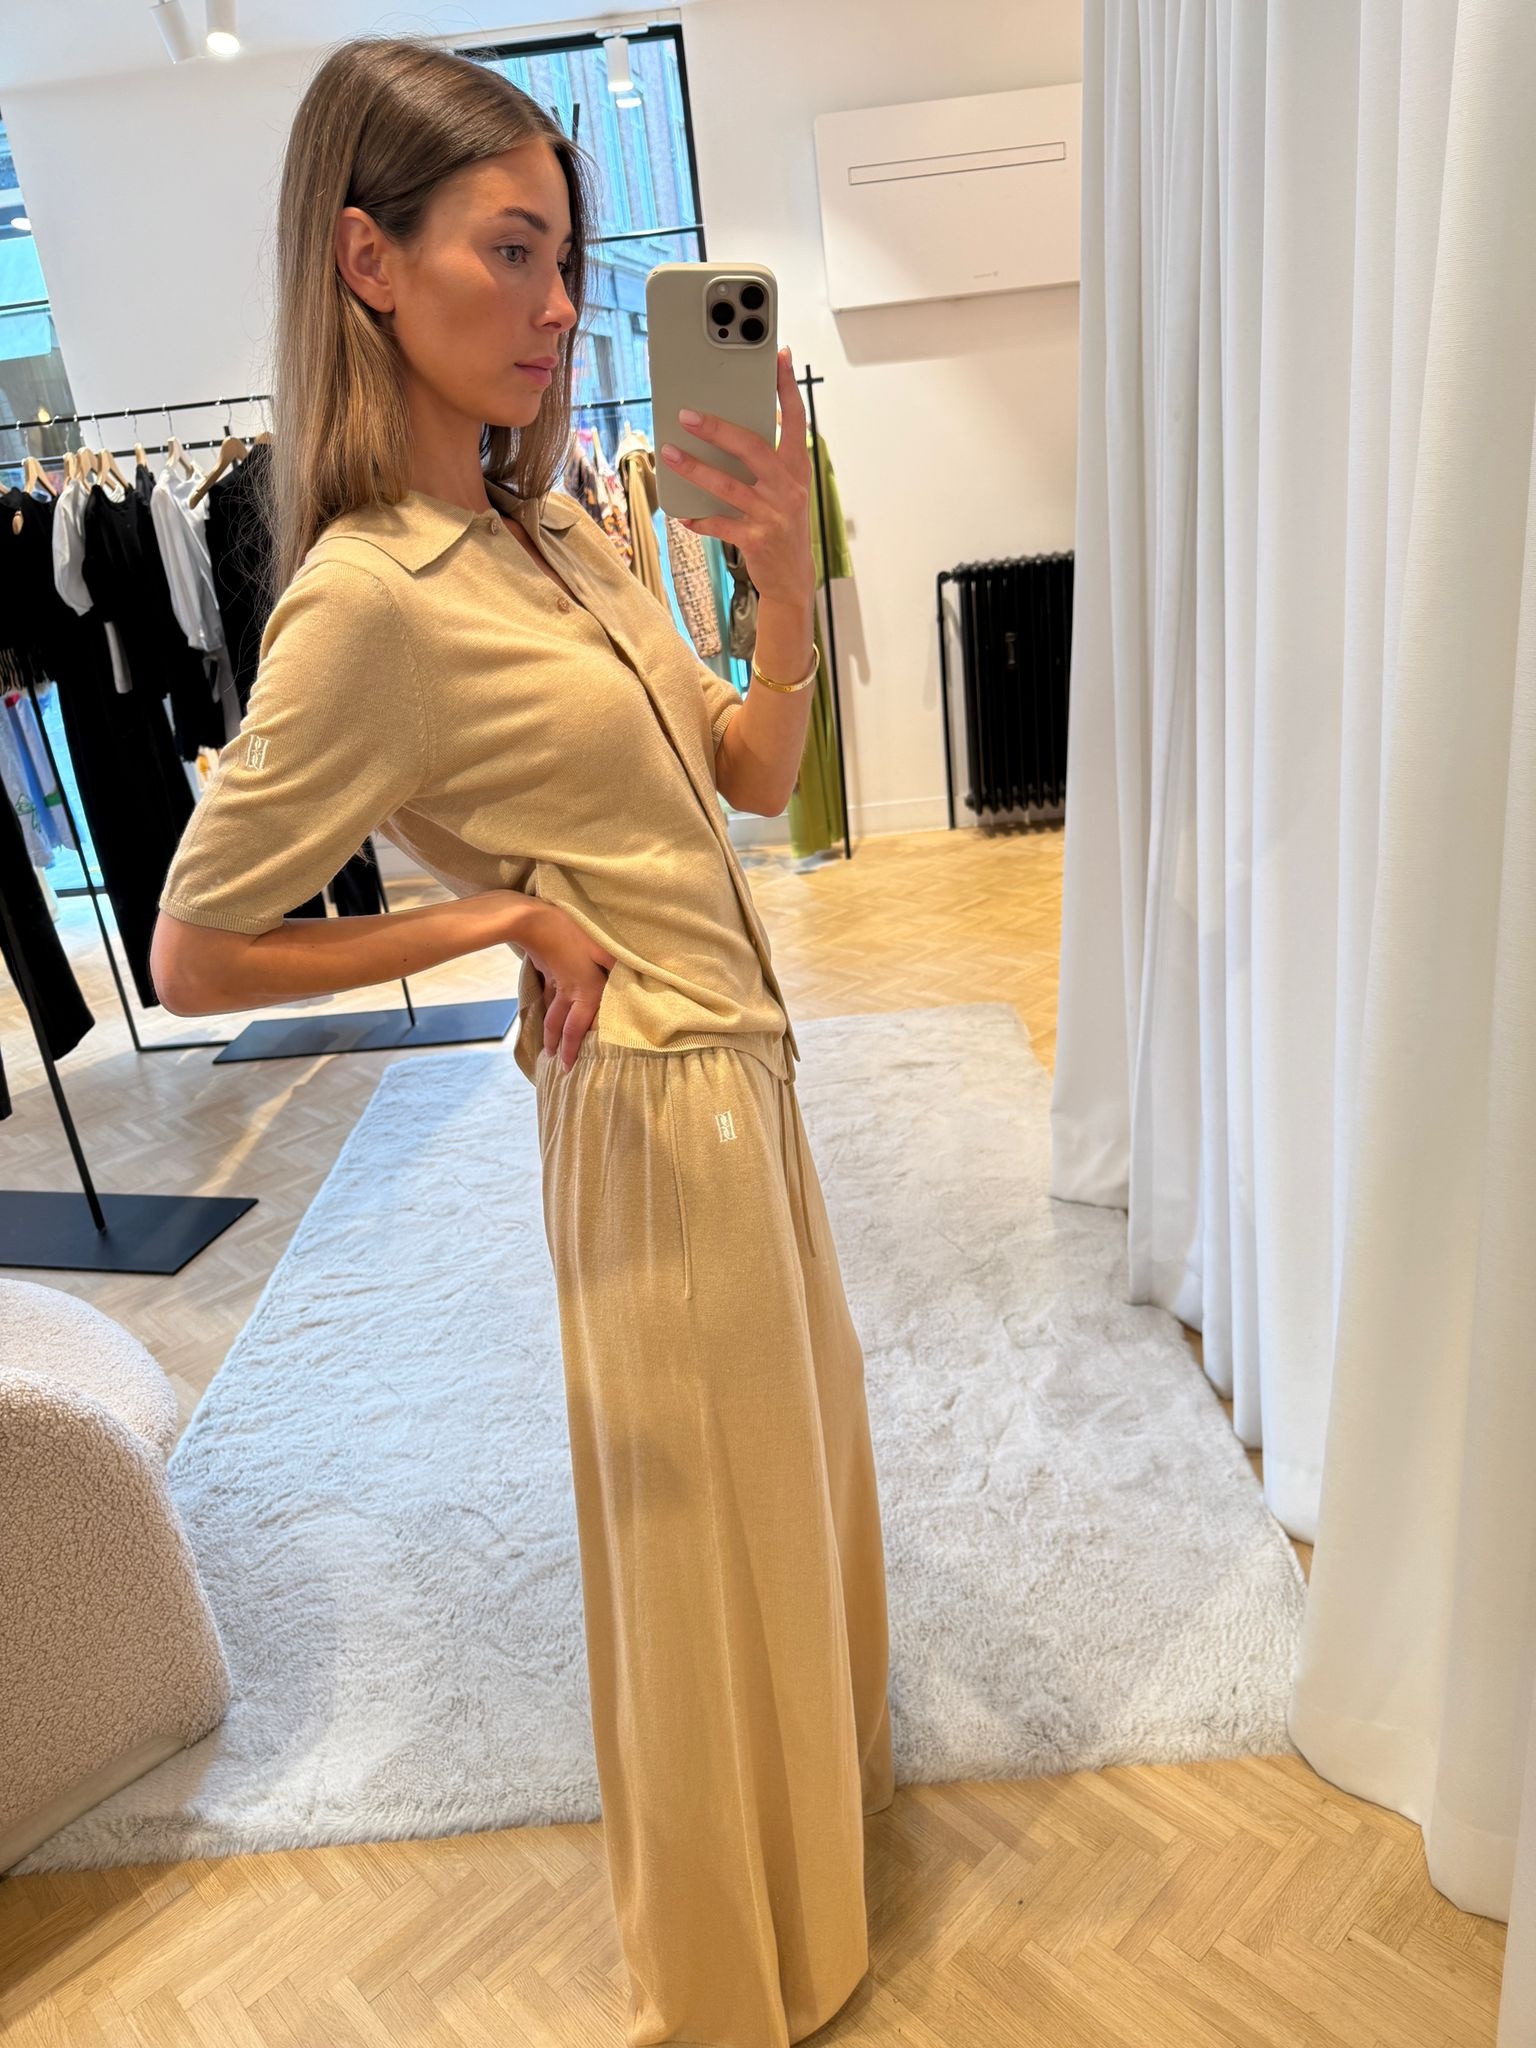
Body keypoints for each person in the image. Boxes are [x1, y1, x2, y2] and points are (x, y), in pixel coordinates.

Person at [150, 34, 893, 2048]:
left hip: (743, 1075)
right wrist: (491, 912)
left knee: (786, 1487)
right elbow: (195, 950)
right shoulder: (371, 606)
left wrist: (779, 591)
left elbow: (746, 775)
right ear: (367, 261)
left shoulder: (558, 530)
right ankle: (734, 1973)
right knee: (696, 1550)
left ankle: (816, 1861)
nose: (561, 304)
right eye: (513, 250)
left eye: (569, 257)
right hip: (648, 1107)